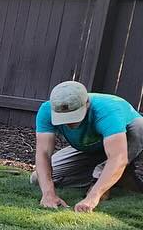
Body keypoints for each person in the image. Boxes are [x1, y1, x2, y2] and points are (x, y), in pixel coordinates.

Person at [32, 81, 143, 213]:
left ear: (87, 104)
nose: (69, 122)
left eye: (73, 116)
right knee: (37, 178)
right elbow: (43, 153)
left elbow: (118, 157)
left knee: (139, 127)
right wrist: (48, 194)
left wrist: (93, 197)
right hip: (90, 149)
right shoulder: (46, 110)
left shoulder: (108, 110)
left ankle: (103, 179)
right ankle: (118, 176)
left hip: (123, 143)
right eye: (63, 117)